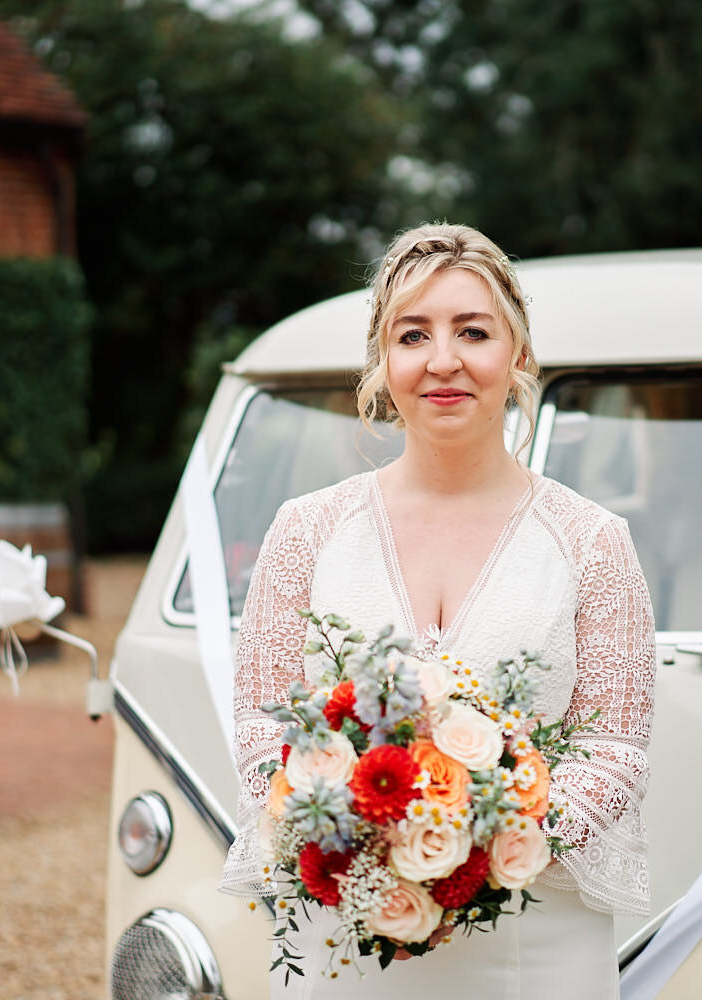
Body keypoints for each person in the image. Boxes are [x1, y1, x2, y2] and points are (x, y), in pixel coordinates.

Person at [219, 223, 656, 998]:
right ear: (384, 362)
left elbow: (614, 743)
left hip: (533, 940)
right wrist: (356, 839)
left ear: (517, 353)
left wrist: (484, 847)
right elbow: (261, 719)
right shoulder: (306, 531)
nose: (443, 360)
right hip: (348, 938)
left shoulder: (592, 541)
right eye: (413, 334)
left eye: (473, 331)